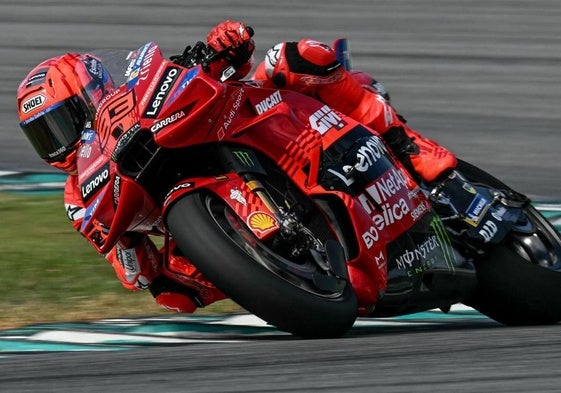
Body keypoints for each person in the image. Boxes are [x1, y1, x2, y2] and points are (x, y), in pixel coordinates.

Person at [16, 20, 457, 314]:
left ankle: (408, 146)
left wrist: (223, 45)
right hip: (212, 232)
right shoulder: (80, 197)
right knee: (175, 296)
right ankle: (285, 269)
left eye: (61, 123)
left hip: (264, 122)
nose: (61, 144)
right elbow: (135, 272)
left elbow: (229, 60)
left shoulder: (137, 88)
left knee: (298, 56)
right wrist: (133, 260)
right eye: (45, 136)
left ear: (92, 90)